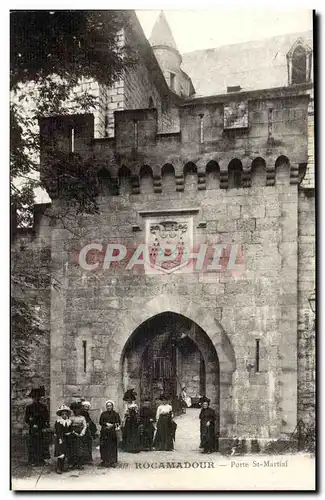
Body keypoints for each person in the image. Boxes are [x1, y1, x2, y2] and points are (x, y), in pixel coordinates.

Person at [24, 386, 50, 466]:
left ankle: (41, 460)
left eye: (38, 397)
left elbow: (46, 417)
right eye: (34, 397)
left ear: (40, 397)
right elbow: (26, 419)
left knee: (42, 444)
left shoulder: (43, 407)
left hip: (41, 428)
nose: (36, 398)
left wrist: (45, 425)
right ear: (32, 398)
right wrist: (32, 424)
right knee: (33, 444)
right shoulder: (29, 407)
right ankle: (33, 460)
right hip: (33, 428)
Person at [99, 400, 121, 467]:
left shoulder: (115, 414)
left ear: (112, 406)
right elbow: (100, 422)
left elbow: (118, 422)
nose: (109, 407)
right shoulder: (103, 414)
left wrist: (112, 425)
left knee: (112, 446)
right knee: (104, 446)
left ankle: (112, 460)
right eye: (107, 406)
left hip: (112, 432)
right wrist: (106, 424)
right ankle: (105, 460)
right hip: (104, 432)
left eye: (110, 406)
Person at [54, 404, 72, 474]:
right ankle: (59, 467)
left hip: (67, 439)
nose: (64, 415)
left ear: (67, 414)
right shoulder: (58, 422)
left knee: (66, 453)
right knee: (60, 453)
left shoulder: (69, 421)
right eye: (62, 414)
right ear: (61, 415)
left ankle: (63, 466)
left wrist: (70, 433)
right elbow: (58, 431)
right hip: (61, 438)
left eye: (65, 414)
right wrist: (60, 438)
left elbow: (70, 429)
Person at [69, 402, 87, 469]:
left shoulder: (82, 417)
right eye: (76, 409)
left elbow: (85, 426)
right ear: (73, 410)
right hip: (73, 434)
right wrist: (73, 432)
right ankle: (73, 463)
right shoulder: (71, 418)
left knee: (80, 449)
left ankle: (80, 464)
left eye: (79, 409)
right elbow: (69, 426)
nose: (77, 411)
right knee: (73, 449)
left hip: (80, 434)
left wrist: (82, 433)